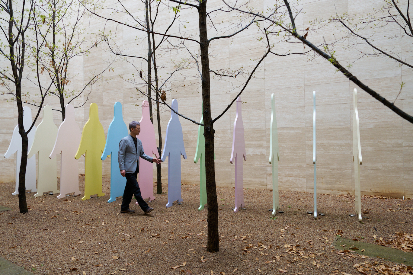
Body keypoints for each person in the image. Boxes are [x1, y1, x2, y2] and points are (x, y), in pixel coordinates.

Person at [118, 121, 161, 214]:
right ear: (132, 129)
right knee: (136, 188)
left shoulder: (139, 141)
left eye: (140, 128)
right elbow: (121, 155)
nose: (139, 130)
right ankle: (145, 207)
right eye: (138, 128)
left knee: (128, 190)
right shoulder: (124, 140)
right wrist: (122, 168)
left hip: (135, 169)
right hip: (128, 169)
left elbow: (142, 154)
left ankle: (124, 208)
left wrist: (152, 159)